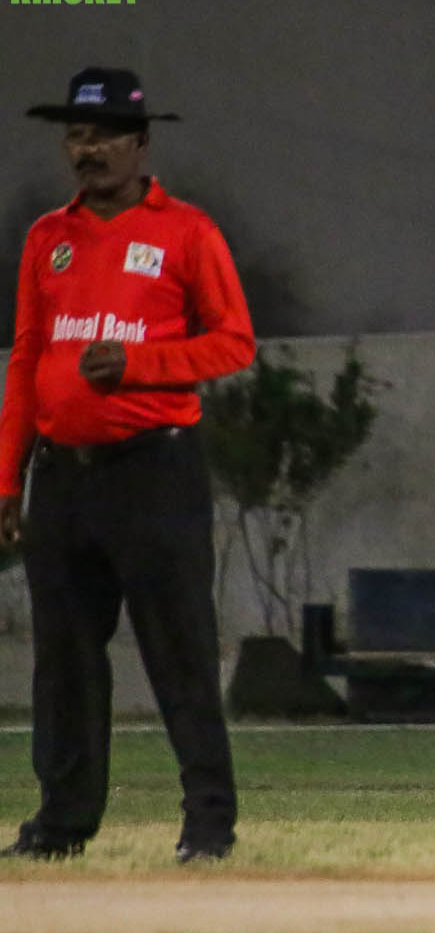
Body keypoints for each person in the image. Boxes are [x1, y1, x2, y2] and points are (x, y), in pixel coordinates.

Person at [0, 67, 257, 862]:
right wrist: (8, 477)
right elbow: (28, 359)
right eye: (78, 135)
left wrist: (140, 365)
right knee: (65, 661)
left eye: (107, 134)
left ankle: (208, 823)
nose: (90, 149)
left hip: (153, 472)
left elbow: (234, 343)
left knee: (179, 651)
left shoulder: (186, 231)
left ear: (140, 144)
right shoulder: (48, 238)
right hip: (62, 478)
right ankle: (61, 822)